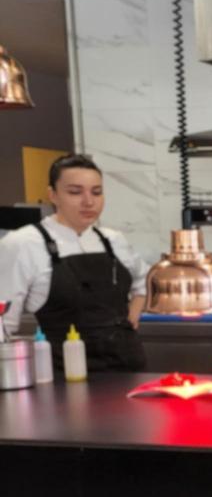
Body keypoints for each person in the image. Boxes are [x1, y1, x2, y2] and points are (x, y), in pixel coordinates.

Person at [0, 154, 149, 373]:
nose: (89, 201)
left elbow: (143, 283)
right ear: (53, 195)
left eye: (96, 192)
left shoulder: (113, 240)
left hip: (127, 368)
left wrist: (129, 320)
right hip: (63, 375)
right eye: (75, 192)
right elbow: (4, 321)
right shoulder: (22, 243)